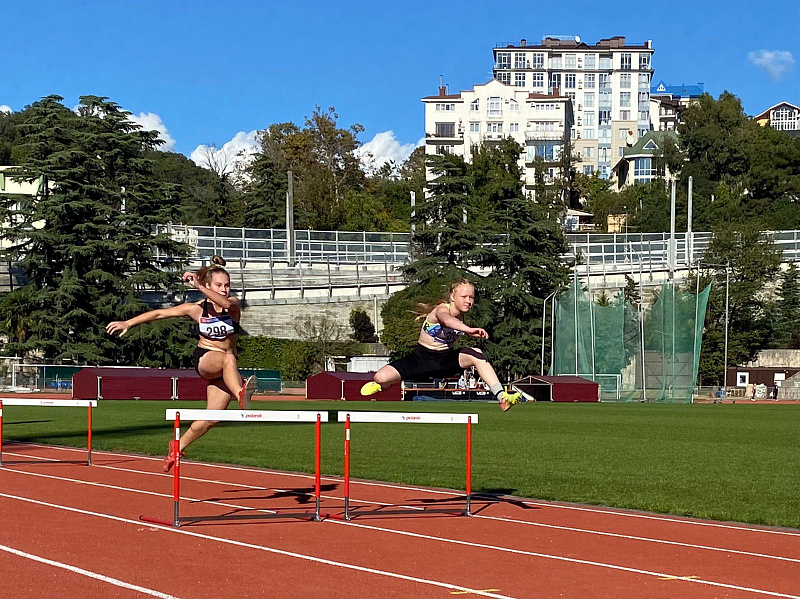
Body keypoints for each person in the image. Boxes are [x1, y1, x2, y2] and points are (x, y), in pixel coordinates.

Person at [106, 255, 257, 472]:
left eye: (227, 285)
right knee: (228, 356)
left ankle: (176, 447)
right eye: (219, 285)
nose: (224, 290)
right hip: (206, 359)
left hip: (226, 371)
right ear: (208, 286)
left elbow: (223, 302)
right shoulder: (196, 309)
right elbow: (159, 313)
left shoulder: (232, 305)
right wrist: (128, 323)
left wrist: (198, 284)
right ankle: (241, 394)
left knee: (211, 418)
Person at [360, 278, 522, 411]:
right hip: (420, 360)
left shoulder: (463, 317)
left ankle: (502, 397)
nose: (468, 301)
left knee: (476, 354)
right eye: (464, 297)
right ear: (452, 297)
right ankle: (383, 385)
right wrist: (468, 330)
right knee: (380, 377)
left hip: (445, 361)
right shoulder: (441, 310)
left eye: (471, 297)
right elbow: (447, 320)